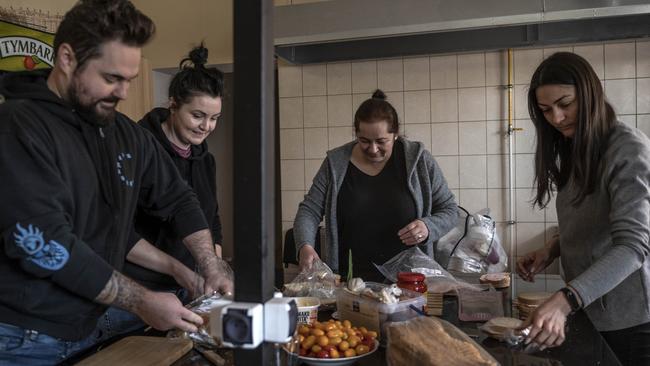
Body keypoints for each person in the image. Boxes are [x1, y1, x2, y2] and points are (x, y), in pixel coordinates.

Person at [0, 0, 232, 363]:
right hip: (25, 339)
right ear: (67, 59)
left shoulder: (125, 134)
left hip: (92, 323)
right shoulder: (19, 127)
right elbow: (45, 244)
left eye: (129, 80)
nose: (124, 93)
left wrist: (210, 263)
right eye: (112, 78)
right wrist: (142, 301)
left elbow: (180, 199)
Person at [516, 52, 650, 365]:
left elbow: (633, 246)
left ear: (590, 93)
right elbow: (591, 222)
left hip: (630, 320)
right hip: (589, 308)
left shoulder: (628, 148)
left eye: (566, 103)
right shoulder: (577, 147)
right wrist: (551, 250)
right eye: (546, 110)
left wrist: (566, 300)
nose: (557, 118)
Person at [97, 44, 227, 340]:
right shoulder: (135, 149)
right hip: (134, 293)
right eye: (197, 116)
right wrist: (179, 269)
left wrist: (214, 267)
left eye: (214, 118)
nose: (206, 126)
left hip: (186, 291)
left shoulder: (205, 160)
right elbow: (119, 233)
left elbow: (211, 219)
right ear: (173, 104)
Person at [294, 89, 458, 282]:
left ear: (395, 134)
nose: (372, 149)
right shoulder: (335, 164)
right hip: (352, 283)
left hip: (409, 283)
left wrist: (428, 227)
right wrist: (304, 245)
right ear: (356, 133)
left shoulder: (419, 160)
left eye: (381, 141)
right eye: (364, 141)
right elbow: (309, 210)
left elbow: (450, 210)